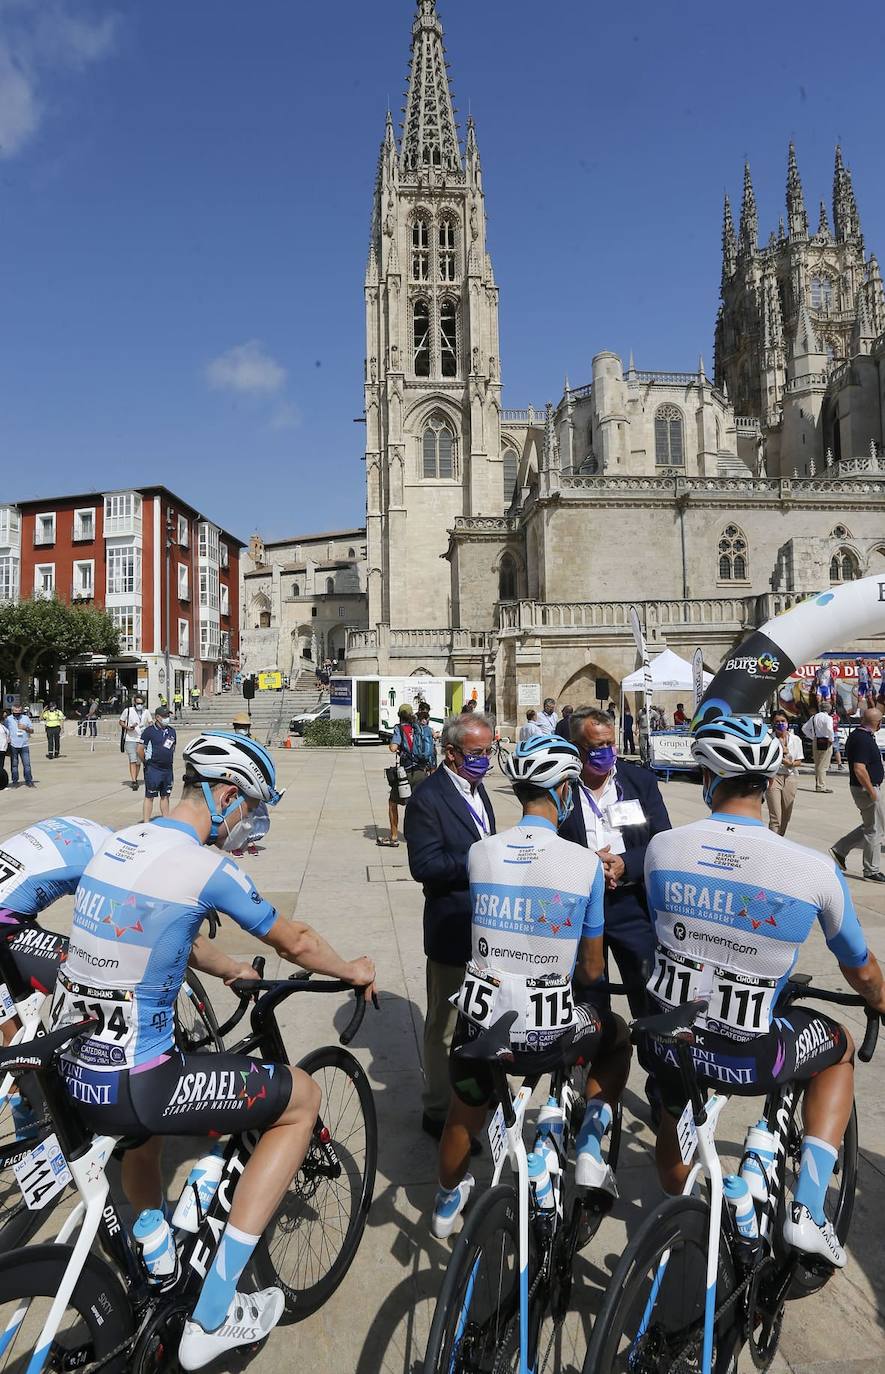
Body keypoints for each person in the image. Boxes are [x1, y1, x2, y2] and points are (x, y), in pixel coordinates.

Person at [49, 731, 377, 1369]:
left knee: (145, 1143)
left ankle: (155, 1249)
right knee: (300, 1098)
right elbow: (298, 942)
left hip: (76, 1067)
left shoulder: (122, 843)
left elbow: (173, 933)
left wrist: (227, 968)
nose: (249, 825)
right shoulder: (208, 866)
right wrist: (354, 970)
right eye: (250, 810)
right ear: (226, 796)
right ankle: (214, 1311)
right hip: (137, 1081)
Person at [642, 714, 885, 1267]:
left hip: (669, 1040)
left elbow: (671, 931)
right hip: (750, 1055)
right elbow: (860, 967)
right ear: (769, 782)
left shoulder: (662, 849)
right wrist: (878, 1000)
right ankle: (807, 1209)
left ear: (708, 779)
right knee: (839, 1047)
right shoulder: (811, 869)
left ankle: (678, 1218)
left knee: (679, 1100)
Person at [431, 734, 631, 1236]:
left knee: (464, 1108)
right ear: (565, 791)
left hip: (482, 1020)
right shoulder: (583, 862)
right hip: (547, 1027)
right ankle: (587, 1147)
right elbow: (590, 968)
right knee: (616, 1036)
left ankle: (445, 1200)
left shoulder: (481, 852)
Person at [560, 706, 671, 1117]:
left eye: (609, 745)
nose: (604, 754)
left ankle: (661, 1093)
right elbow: (549, 840)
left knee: (649, 998)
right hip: (580, 910)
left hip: (629, 906)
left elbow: (662, 840)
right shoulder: (563, 787)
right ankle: (590, 1094)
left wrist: (627, 865)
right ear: (576, 748)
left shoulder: (638, 781)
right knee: (588, 1000)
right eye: (594, 747)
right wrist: (587, 865)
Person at [404, 713, 497, 1142]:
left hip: (485, 928)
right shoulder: (428, 796)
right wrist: (482, 860)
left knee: (478, 1023)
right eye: (478, 753)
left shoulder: (478, 792)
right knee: (444, 1026)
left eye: (489, 751)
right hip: (450, 928)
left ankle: (476, 1097)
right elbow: (424, 866)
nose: (485, 760)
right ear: (452, 752)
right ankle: (438, 1111)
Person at [0, 815, 112, 1043]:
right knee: (100, 976)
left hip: (9, 920)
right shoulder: (105, 862)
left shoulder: (76, 825)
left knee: (17, 1033)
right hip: (5, 925)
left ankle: (20, 1073)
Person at [831, 708, 885, 883]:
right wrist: (872, 792)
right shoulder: (862, 740)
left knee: (872, 825)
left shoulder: (860, 735)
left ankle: (840, 849)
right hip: (866, 790)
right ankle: (871, 870)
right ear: (877, 723)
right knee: (874, 830)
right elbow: (859, 769)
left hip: (867, 788)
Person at [378, 705, 434, 847]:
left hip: (406, 773)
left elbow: (393, 747)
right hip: (422, 772)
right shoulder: (419, 727)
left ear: (399, 715)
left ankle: (394, 836)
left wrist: (393, 744)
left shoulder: (399, 728)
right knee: (419, 805)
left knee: (393, 803)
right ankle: (423, 836)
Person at [137, 705, 177, 822]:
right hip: (153, 768)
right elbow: (139, 749)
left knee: (165, 795)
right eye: (165, 716)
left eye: (168, 715)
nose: (167, 718)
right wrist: (146, 762)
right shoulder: (149, 731)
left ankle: (166, 820)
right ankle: (146, 822)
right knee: (150, 796)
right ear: (157, 717)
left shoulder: (171, 731)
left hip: (167, 769)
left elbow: (173, 747)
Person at [767, 709, 802, 835]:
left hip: (790, 777)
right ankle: (772, 843)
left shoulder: (795, 739)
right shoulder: (769, 739)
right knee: (775, 816)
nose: (780, 724)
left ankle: (780, 839)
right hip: (774, 777)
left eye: (783, 721)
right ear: (772, 723)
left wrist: (791, 763)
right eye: (777, 722)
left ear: (787, 722)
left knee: (786, 815)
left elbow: (799, 761)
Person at [119, 697, 151, 790]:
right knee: (132, 759)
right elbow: (121, 721)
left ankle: (135, 777)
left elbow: (150, 722)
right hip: (130, 739)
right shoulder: (128, 710)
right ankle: (133, 781)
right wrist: (127, 727)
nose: (139, 705)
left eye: (141, 703)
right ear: (134, 703)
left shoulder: (146, 712)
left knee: (138, 762)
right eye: (138, 703)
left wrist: (148, 727)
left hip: (141, 739)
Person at [802, 703, 835, 793]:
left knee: (817, 763)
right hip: (826, 740)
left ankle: (818, 783)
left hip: (816, 740)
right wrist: (831, 739)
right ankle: (821, 786)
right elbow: (829, 729)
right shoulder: (828, 718)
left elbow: (804, 728)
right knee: (823, 764)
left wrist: (812, 737)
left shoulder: (814, 717)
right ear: (829, 709)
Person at [6, 705, 35, 787]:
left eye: (19, 711)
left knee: (27, 764)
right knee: (14, 765)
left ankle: (29, 781)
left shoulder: (26, 718)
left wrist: (26, 728)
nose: (17, 713)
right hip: (13, 745)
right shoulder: (8, 719)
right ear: (12, 711)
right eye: (15, 711)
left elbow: (32, 731)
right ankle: (15, 781)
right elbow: (4, 730)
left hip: (24, 745)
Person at [0, 710, 8, 790]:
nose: (6, 718)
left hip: (3, 749)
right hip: (0, 749)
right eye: (4, 716)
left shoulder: (3, 726)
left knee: (1, 767)